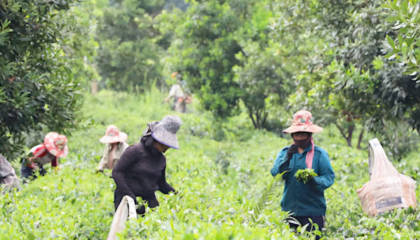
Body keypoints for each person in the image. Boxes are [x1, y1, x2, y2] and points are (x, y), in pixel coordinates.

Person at [270, 110, 335, 240]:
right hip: (290, 210)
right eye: (297, 134)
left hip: (313, 211)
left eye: (303, 134)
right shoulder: (285, 153)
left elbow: (329, 177)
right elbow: (275, 173)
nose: (299, 137)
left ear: (310, 134)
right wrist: (287, 158)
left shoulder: (319, 155)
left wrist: (314, 180)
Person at [112, 115, 182, 215]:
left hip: (147, 198)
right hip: (126, 197)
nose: (166, 147)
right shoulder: (135, 151)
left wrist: (177, 195)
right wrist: (130, 196)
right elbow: (117, 172)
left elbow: (161, 183)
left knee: (155, 222)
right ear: (155, 140)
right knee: (126, 228)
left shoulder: (161, 160)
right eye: (164, 143)